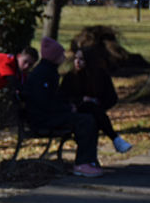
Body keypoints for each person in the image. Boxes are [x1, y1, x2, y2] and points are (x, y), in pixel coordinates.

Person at [23, 37, 103, 177]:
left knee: (87, 118)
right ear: (53, 56)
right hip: (41, 119)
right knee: (85, 121)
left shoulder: (47, 71)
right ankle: (83, 163)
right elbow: (44, 101)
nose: (64, 57)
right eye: (61, 55)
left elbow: (49, 99)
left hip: (44, 115)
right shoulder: (43, 74)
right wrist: (66, 108)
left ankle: (88, 160)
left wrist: (67, 106)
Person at [58, 46, 132, 154]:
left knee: (94, 115)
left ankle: (90, 159)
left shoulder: (101, 76)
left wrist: (98, 103)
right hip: (75, 111)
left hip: (95, 112)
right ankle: (115, 138)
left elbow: (112, 98)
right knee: (90, 109)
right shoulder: (71, 77)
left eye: (81, 59)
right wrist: (81, 99)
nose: (77, 62)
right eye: (76, 58)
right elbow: (62, 97)